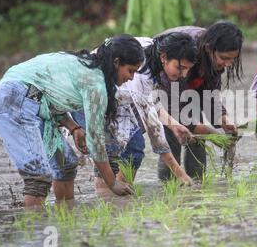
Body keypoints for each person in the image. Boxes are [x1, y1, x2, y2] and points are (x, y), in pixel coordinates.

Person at [0, 35, 145, 209]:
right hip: (14, 101)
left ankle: (64, 219)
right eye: (130, 71)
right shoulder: (95, 83)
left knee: (65, 165)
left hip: (30, 101)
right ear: (116, 63)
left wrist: (74, 128)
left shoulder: (84, 65)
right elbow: (95, 140)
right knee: (38, 175)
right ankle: (33, 231)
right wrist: (112, 183)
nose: (131, 78)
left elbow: (48, 97)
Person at [74, 33, 198, 194]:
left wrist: (173, 124)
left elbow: (147, 101)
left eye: (188, 69)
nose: (183, 75)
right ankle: (108, 198)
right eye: (180, 67)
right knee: (111, 151)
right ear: (164, 57)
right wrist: (180, 173)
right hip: (87, 94)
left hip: (115, 97)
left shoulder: (151, 50)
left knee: (134, 149)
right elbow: (152, 125)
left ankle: (119, 200)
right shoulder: (140, 70)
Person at [154, 21, 244, 180]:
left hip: (188, 87)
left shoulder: (213, 61)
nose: (228, 64)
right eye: (224, 58)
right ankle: (167, 186)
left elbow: (209, 92)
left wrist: (223, 119)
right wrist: (214, 135)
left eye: (232, 59)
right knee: (174, 136)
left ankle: (197, 183)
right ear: (209, 49)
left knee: (198, 140)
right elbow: (173, 108)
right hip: (166, 86)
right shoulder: (183, 55)